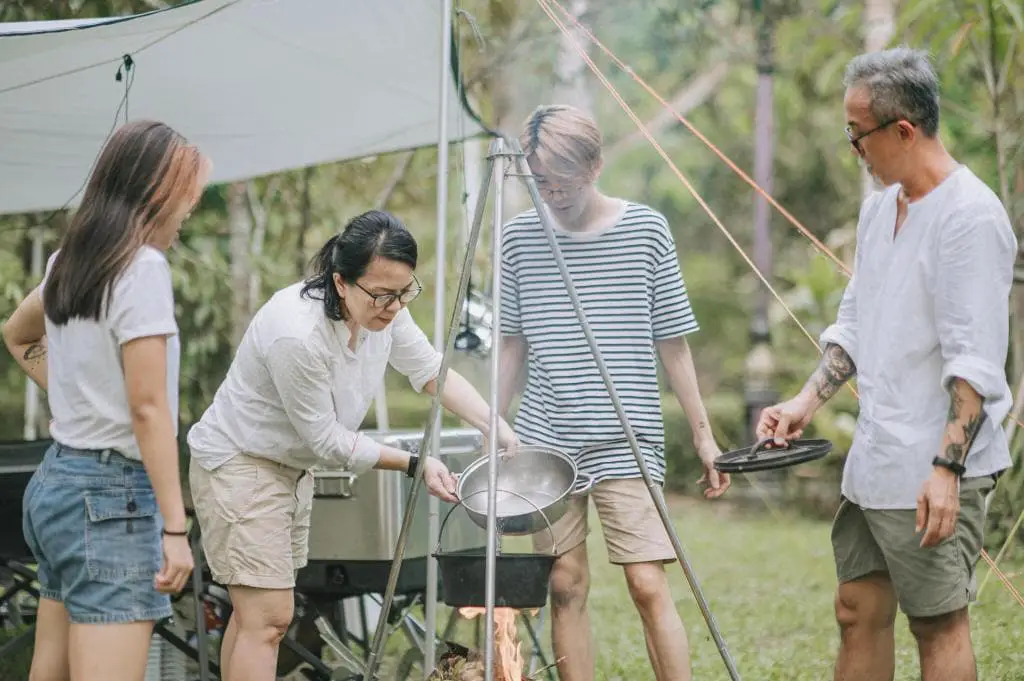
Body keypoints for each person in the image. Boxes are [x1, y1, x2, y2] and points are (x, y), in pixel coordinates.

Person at [756, 47, 1015, 681]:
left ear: (903, 130)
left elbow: (974, 363)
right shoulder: (880, 208)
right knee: (855, 608)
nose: (854, 149)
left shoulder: (970, 219)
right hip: (877, 458)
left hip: (933, 466)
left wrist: (946, 472)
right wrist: (804, 402)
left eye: (857, 135)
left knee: (937, 626)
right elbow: (857, 322)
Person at [185, 208, 518, 681]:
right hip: (241, 464)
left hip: (287, 468)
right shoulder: (296, 334)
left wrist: (494, 423)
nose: (394, 306)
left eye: (405, 292)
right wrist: (416, 462)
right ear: (340, 282)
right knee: (270, 617)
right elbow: (324, 439)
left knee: (256, 618)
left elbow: (428, 370)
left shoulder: (386, 310)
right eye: (382, 294)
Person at [496, 104, 730, 681]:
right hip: (546, 437)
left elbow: (672, 342)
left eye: (564, 180)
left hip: (627, 435)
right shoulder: (520, 237)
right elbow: (511, 348)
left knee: (648, 582)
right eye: (541, 181)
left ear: (596, 165)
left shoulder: (647, 230)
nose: (552, 193)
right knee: (564, 581)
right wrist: (493, 429)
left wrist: (704, 434)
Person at [1, 120, 211, 681]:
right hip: (111, 499)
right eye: (186, 197)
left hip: (58, 485)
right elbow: (148, 410)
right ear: (157, 193)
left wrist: (80, 402)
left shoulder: (70, 259)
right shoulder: (140, 268)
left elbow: (16, 336)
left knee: (50, 673)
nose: (189, 210)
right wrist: (174, 528)